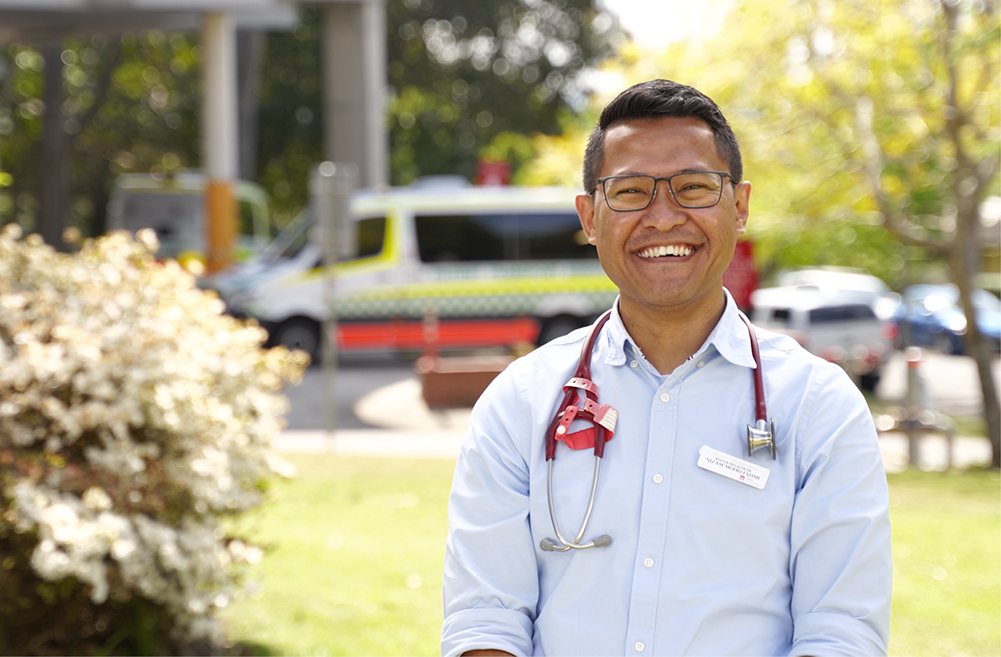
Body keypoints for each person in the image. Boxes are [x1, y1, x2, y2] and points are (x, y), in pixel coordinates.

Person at [441, 79, 892, 657]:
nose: (662, 218)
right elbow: (486, 622)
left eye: (693, 187)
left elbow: (840, 633)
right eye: (629, 192)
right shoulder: (520, 402)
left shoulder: (818, 406)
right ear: (589, 217)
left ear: (740, 206)